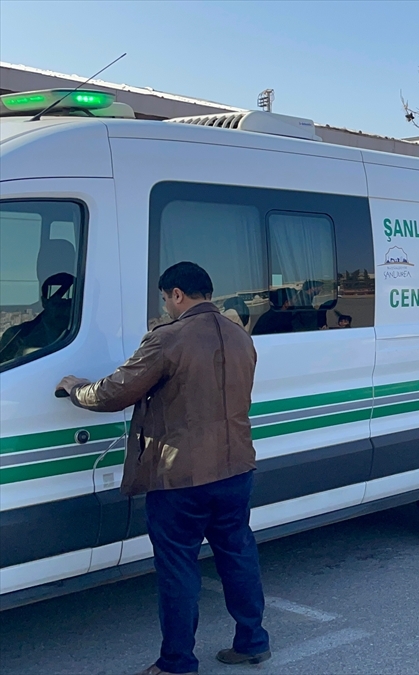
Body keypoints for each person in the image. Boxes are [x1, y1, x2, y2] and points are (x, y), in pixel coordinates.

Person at [56, 262, 271, 674]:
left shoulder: (169, 339)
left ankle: (177, 662)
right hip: (237, 468)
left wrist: (74, 389)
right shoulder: (241, 337)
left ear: (176, 294)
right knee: (238, 554)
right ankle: (253, 641)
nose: (166, 306)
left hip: (181, 477)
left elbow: (115, 392)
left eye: (165, 298)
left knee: (178, 567)